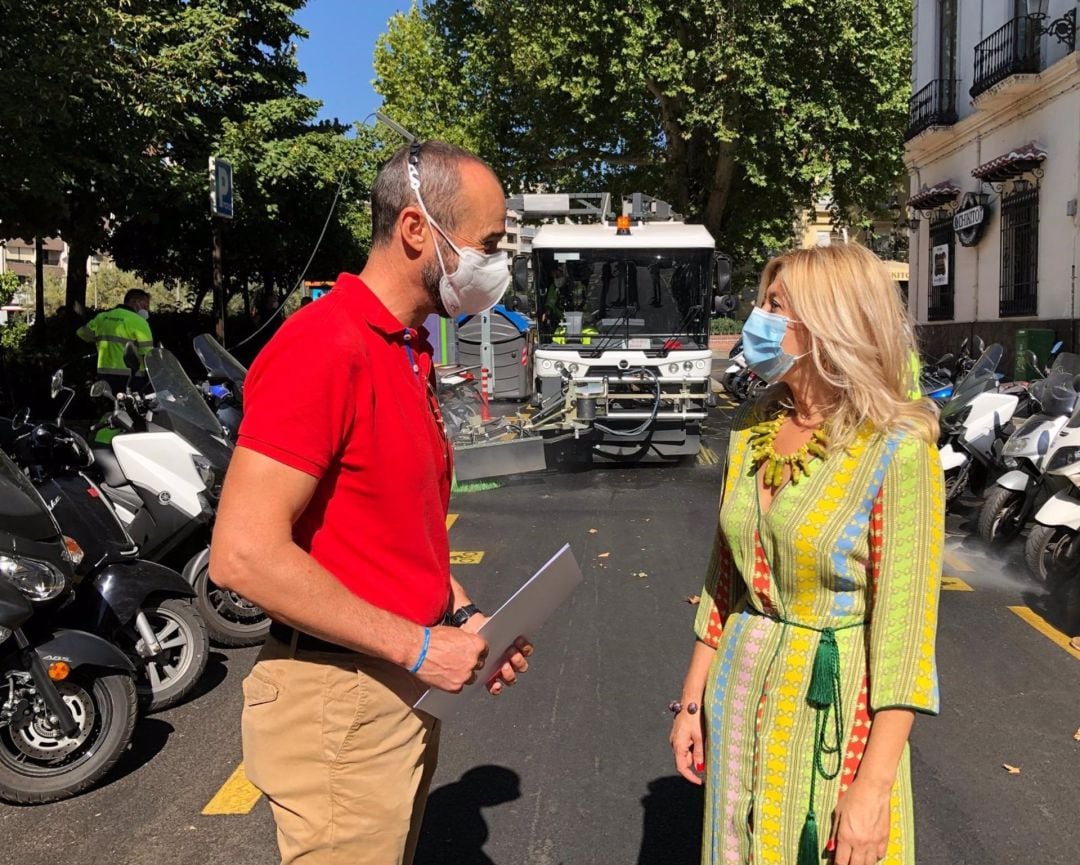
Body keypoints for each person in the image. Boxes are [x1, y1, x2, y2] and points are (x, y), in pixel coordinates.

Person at [209, 140, 532, 865]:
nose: (497, 263)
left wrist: (460, 613)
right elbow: (242, 553)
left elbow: (391, 533)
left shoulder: (402, 347)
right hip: (339, 699)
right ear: (418, 230)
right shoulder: (324, 346)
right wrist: (418, 645)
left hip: (386, 693)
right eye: (488, 243)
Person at [670, 243, 944, 865]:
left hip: (830, 711)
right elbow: (722, 582)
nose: (755, 320)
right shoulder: (751, 428)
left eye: (773, 305)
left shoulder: (896, 451)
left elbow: (905, 641)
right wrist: (692, 702)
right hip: (736, 698)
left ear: (829, 321)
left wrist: (872, 790)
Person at [76, 288, 153, 393]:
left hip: (104, 376)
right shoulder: (139, 322)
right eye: (145, 306)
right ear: (134, 302)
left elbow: (82, 333)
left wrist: (97, 341)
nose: (146, 310)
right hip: (132, 379)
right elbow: (147, 354)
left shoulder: (102, 317)